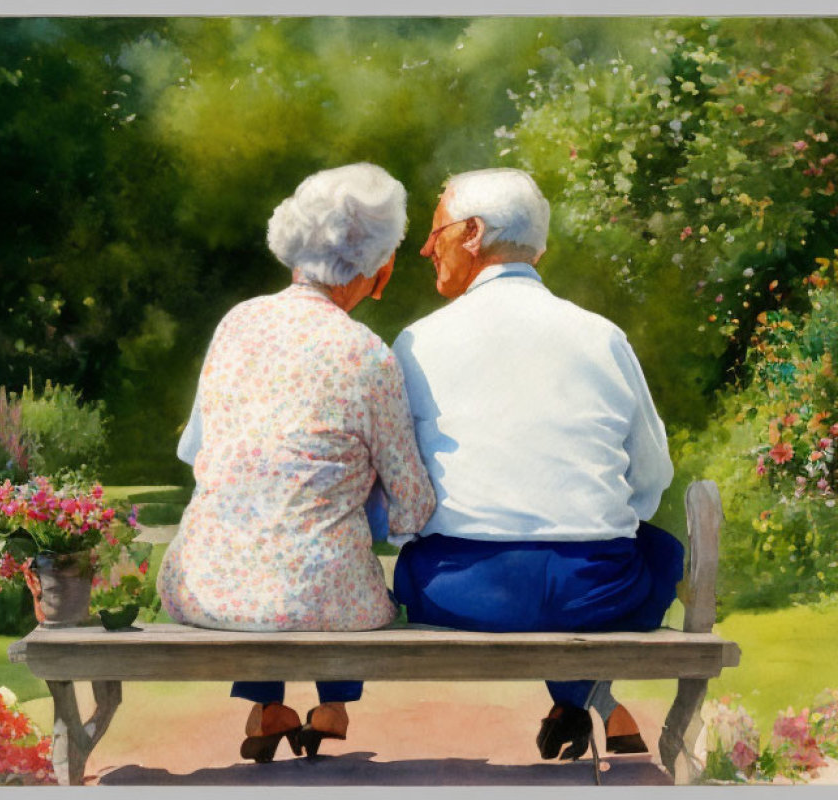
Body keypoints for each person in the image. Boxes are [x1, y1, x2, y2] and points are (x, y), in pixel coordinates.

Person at [390, 167, 683, 761]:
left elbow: (404, 488)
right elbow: (650, 476)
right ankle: (583, 699)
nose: (426, 248)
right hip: (595, 589)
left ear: (472, 234)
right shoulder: (602, 337)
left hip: (462, 590)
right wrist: (582, 522)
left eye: (436, 231)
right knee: (661, 551)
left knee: (416, 560)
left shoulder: (417, 342)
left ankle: (582, 700)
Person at [158, 163, 436, 763]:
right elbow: (413, 504)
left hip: (202, 588)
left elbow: (194, 452)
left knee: (287, 505)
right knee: (335, 541)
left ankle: (268, 707)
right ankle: (331, 705)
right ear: (381, 271)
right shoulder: (369, 355)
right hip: (323, 600)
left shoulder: (237, 323)